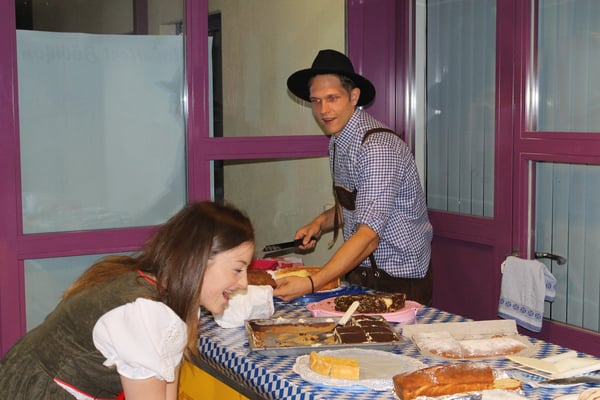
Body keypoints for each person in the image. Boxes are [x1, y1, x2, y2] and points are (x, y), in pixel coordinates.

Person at [0, 201, 254, 400]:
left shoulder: (163, 296)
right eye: (237, 269)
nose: (243, 282)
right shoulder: (146, 313)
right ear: (195, 262)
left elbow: (167, 390)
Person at [273, 49, 433, 305]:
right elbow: (354, 205)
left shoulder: (377, 147)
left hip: (397, 280)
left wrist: (313, 282)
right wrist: (319, 224)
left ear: (354, 96)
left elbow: (368, 237)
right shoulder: (338, 141)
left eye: (332, 98)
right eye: (316, 101)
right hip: (361, 274)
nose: (324, 110)